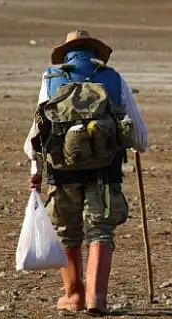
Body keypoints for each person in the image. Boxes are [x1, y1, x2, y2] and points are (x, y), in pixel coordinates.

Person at [23, 30, 149, 316]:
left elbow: (37, 129)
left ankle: (74, 296)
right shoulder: (113, 78)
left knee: (67, 234)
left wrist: (35, 169)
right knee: (101, 231)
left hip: (62, 170)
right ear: (94, 52)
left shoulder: (50, 79)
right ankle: (97, 299)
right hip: (105, 171)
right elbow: (138, 133)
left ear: (66, 53)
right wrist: (137, 144)